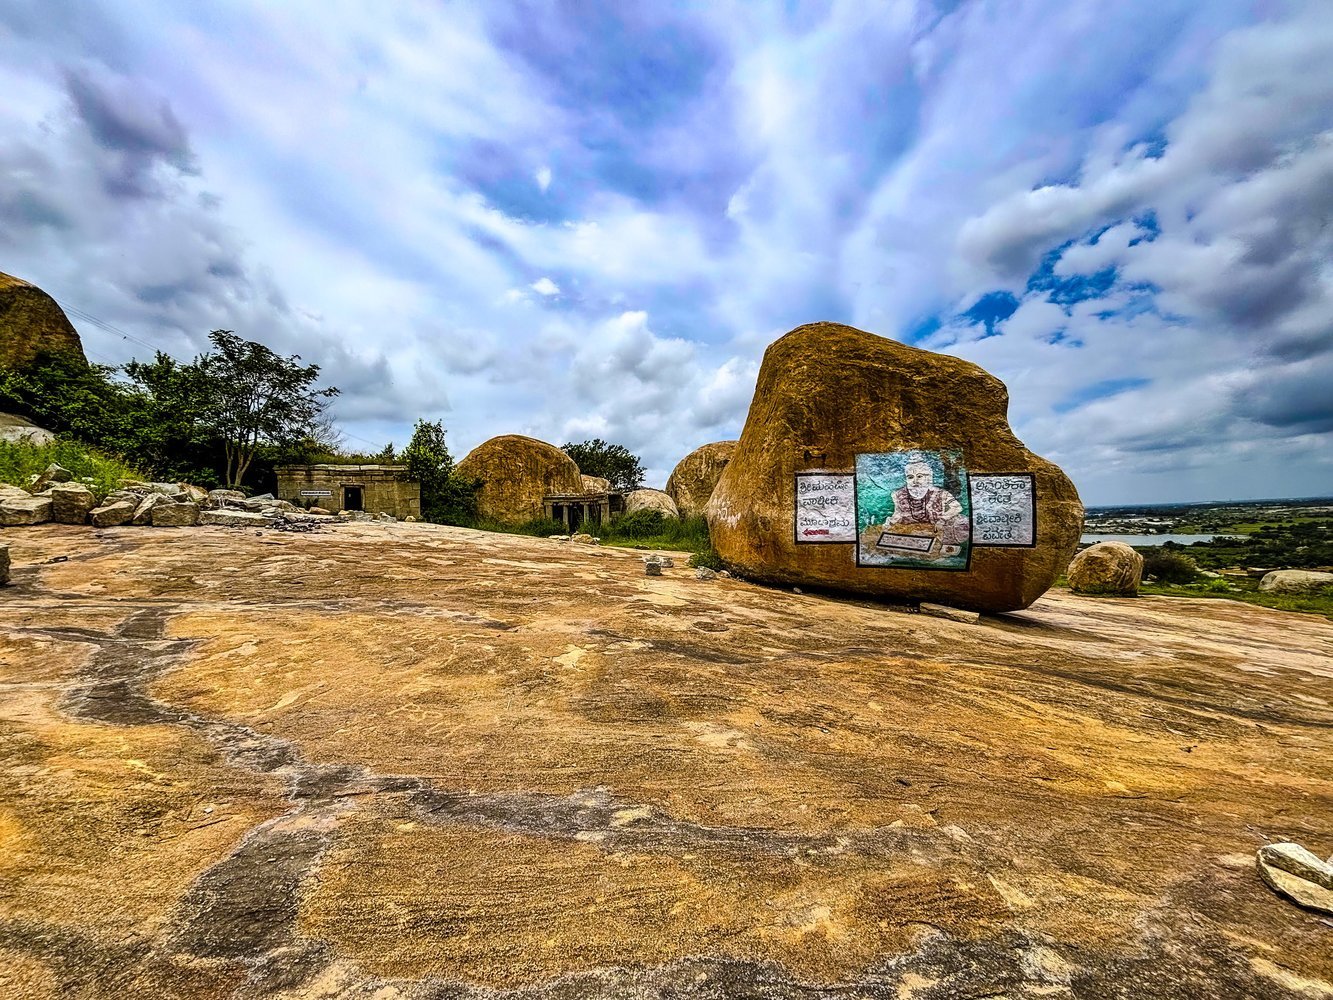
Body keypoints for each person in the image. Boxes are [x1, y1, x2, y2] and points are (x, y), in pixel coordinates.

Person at [884, 460, 969, 544]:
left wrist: (942, 520)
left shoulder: (941, 494)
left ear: (928, 478)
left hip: (936, 535)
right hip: (911, 535)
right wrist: (890, 523)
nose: (915, 481)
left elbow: (957, 507)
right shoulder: (899, 495)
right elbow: (898, 514)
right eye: (910, 477)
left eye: (919, 476)